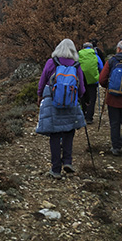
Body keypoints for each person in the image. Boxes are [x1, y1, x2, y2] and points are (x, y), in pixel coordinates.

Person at [36, 39, 86, 179]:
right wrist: (79, 97)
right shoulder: (76, 65)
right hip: (70, 103)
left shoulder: (51, 62)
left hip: (53, 103)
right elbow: (81, 88)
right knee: (69, 131)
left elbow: (42, 81)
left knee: (55, 135)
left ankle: (56, 169)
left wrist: (40, 95)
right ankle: (68, 161)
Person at [78, 42, 103, 124]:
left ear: (83, 48)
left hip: (82, 79)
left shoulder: (79, 55)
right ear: (92, 48)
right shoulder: (95, 56)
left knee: (83, 96)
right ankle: (89, 117)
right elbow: (101, 67)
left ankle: (83, 112)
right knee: (92, 98)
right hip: (92, 79)